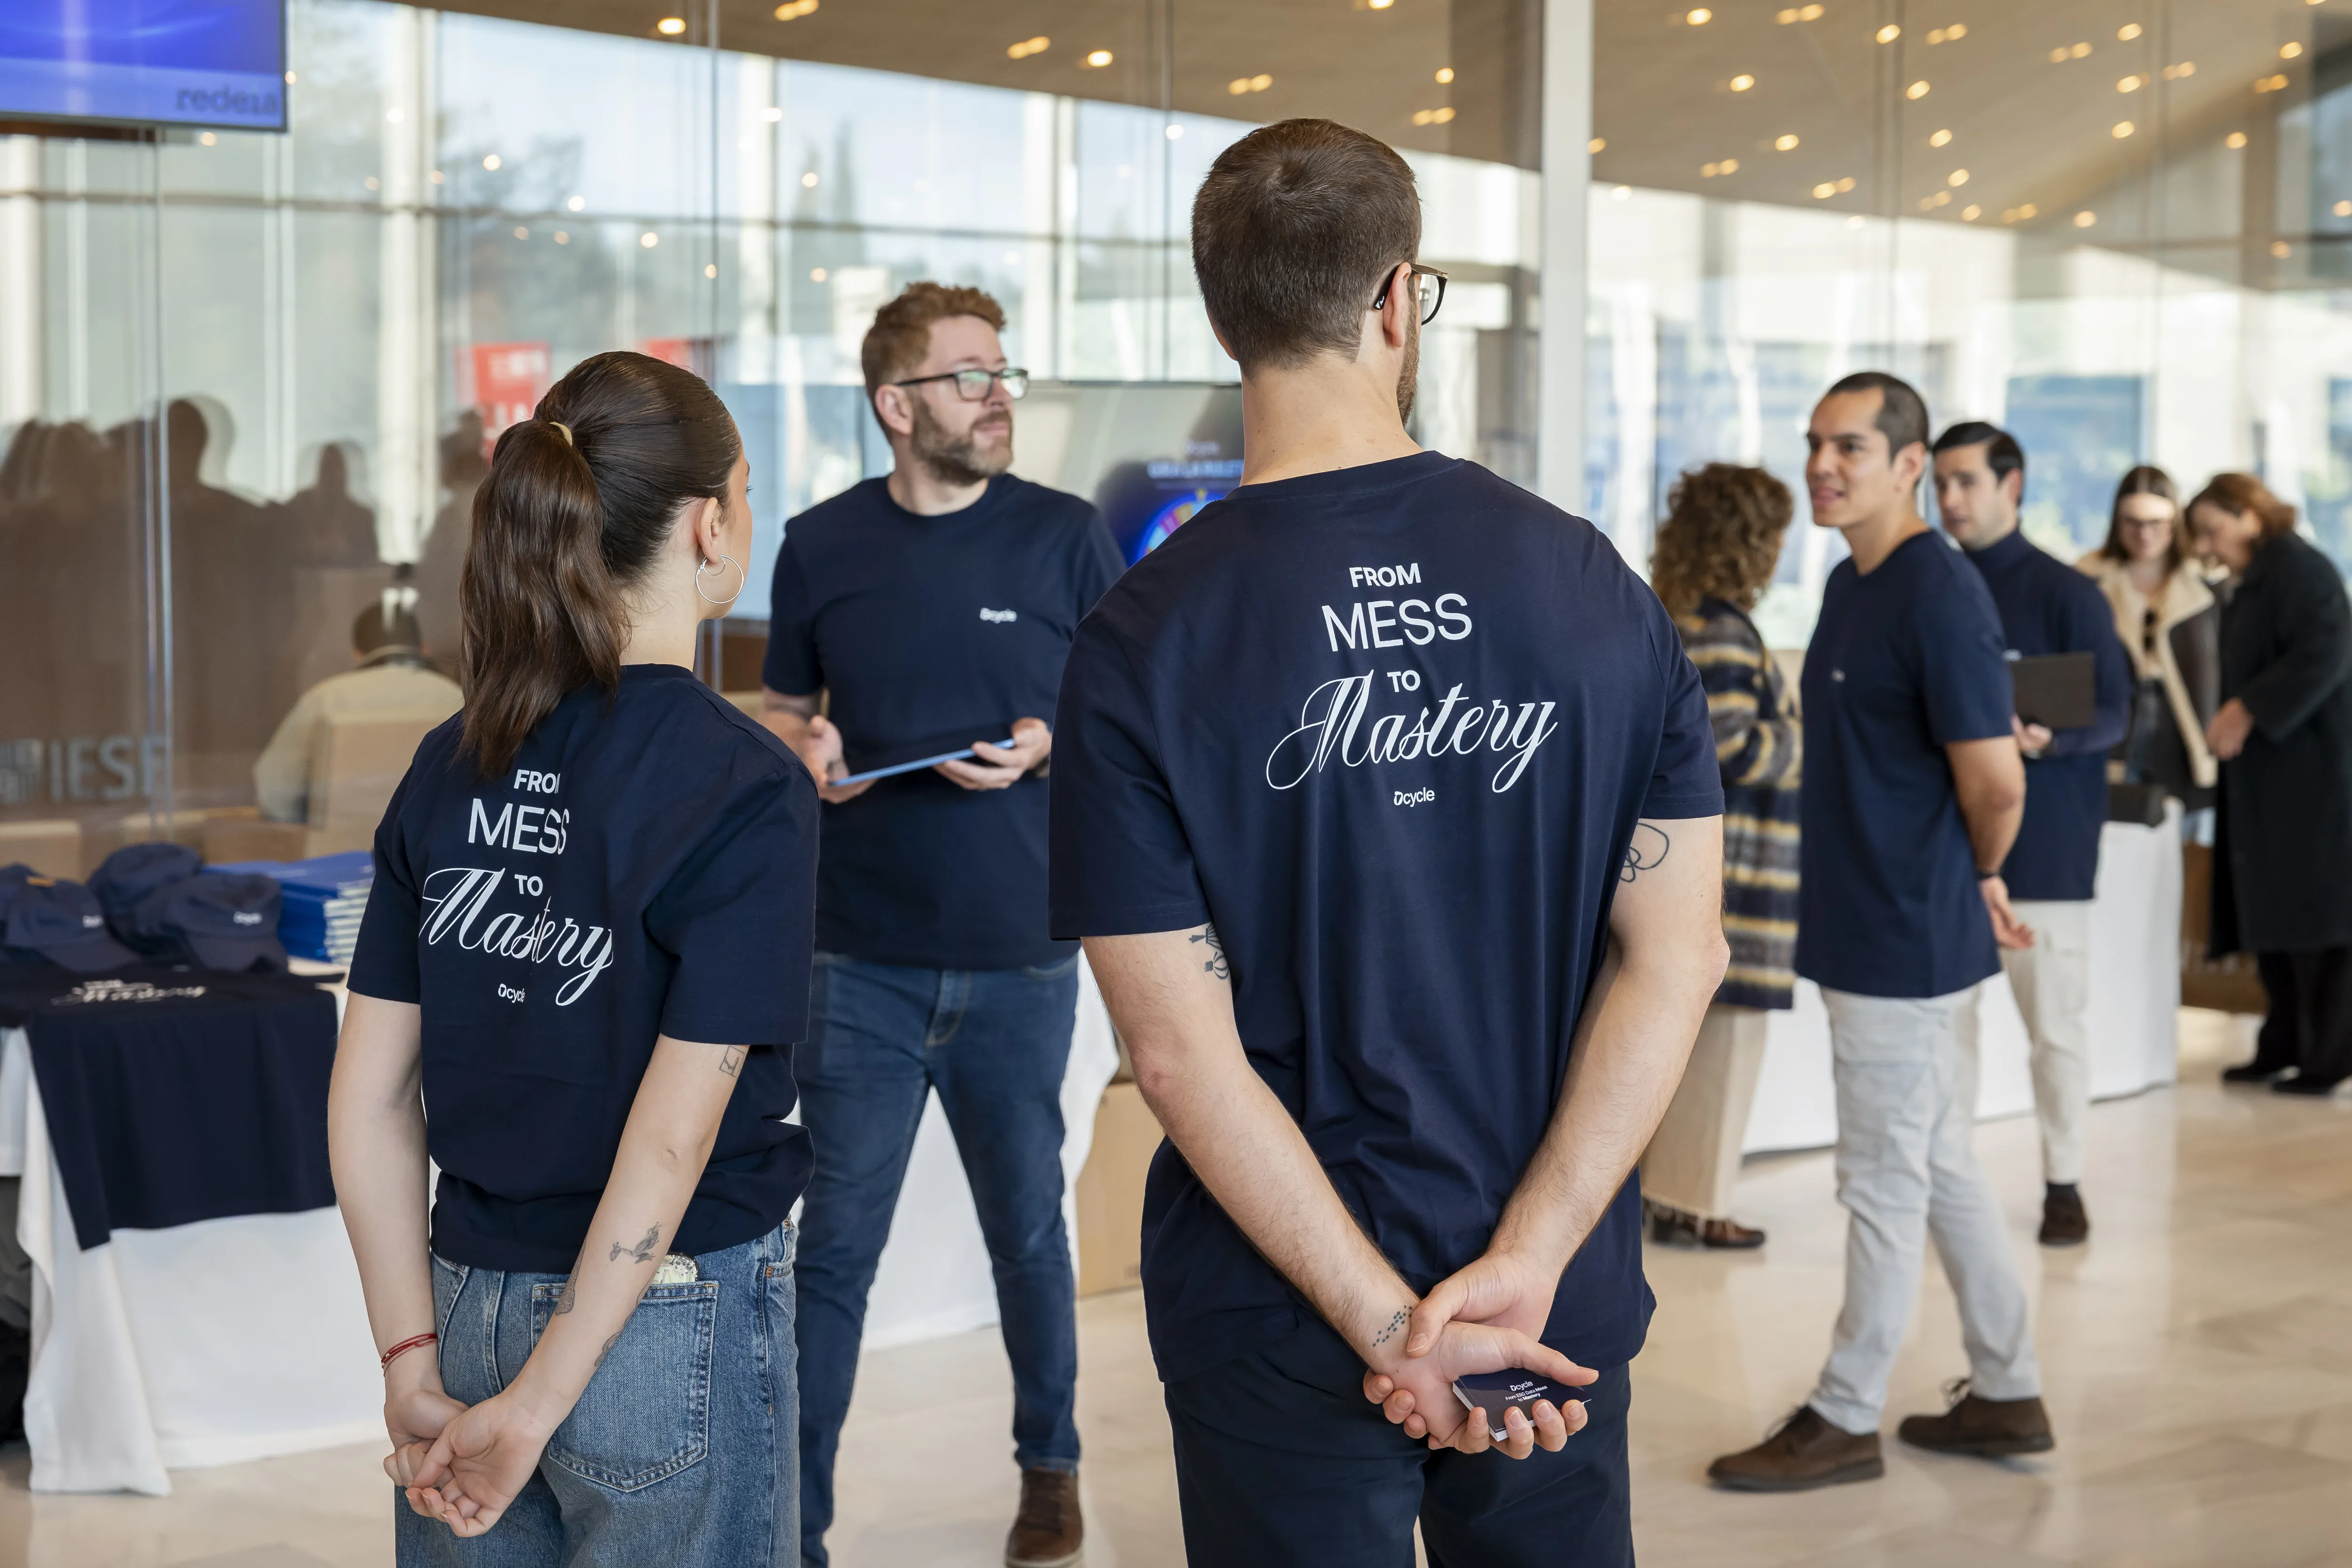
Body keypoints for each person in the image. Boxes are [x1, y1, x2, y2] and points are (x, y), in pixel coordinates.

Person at [1051, 118, 1730, 1566]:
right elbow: (1677, 955)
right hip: (1545, 1314)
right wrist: (1526, 1258)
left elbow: (1172, 1054)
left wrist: (1387, 1323)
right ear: (1395, 299)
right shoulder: (1591, 585)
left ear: (1225, 318)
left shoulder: (1139, 640)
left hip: (1280, 1313)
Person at [329, 350, 821, 1564]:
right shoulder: (744, 781)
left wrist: (409, 1363)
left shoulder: (452, 759)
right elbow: (672, 1138)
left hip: (464, 1312)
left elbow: (369, 1097)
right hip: (661, 1319)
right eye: (744, 493)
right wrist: (543, 1400)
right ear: (709, 525)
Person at [759, 282, 1123, 1568]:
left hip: (1022, 955)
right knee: (831, 1259)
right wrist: (804, 747)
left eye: (1000, 370)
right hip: (852, 960)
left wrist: (1048, 742)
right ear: (896, 405)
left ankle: (1051, 1469)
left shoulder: (1069, 537)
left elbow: (1124, 716)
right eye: (969, 376)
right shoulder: (817, 544)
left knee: (1027, 1233)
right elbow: (784, 709)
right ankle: (793, 1526)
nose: (997, 394)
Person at [1710, 373, 2053, 1492]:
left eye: (1849, 446)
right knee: (1936, 1159)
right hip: (1876, 925)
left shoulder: (1935, 593)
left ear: (1909, 463)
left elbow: (1995, 780)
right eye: (1815, 442)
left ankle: (1845, 1412)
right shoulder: (1851, 581)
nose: (1822, 464)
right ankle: (2007, 1388)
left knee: (1880, 1179)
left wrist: (1980, 873)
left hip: (1903, 941)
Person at [1930, 422, 2131, 1247]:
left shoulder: (2068, 593)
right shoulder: (1930, 585)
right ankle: (1948, 1184)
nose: (1950, 499)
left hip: (2047, 852)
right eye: (1940, 482)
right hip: (1947, 853)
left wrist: (2050, 738)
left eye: (1967, 481)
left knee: (2055, 1027)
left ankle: (2064, 1180)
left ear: (2012, 486)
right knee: (1946, 1035)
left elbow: (2116, 712)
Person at [1640, 462, 1801, 1251]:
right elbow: (1731, 743)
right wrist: (1806, 737)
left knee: (1696, 1044)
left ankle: (1679, 1196)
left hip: (1703, 867)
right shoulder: (1725, 630)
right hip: (1738, 870)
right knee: (1722, 1047)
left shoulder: (1678, 615)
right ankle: (1694, 1201)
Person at [2188, 472, 2352, 1096]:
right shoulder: (2256, 581)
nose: (2206, 546)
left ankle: (2326, 1056)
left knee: (2317, 925)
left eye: (2213, 530)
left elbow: (2324, 653)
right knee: (2276, 920)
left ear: (2249, 516)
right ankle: (2282, 1042)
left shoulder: (2302, 572)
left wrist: (2248, 708)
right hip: (2272, 782)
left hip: (2311, 782)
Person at [251, 585, 463, 824]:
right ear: (424, 648)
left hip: (339, 845)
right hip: (433, 845)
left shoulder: (325, 699)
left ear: (358, 653)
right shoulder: (456, 698)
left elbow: (274, 796)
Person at [2079, 467, 2220, 812]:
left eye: (2156, 523)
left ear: (2175, 523)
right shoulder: (2087, 579)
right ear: (2117, 521)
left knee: (2182, 826)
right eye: (2133, 522)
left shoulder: (2208, 583)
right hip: (2115, 722)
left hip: (2183, 729)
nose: (2145, 535)